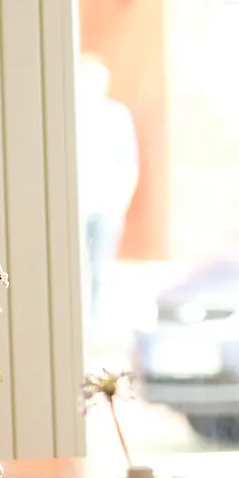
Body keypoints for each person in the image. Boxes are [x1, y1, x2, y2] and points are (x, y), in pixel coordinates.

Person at [76, 54, 139, 325]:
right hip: (77, 205)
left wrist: (120, 199)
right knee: (74, 266)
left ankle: (97, 323)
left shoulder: (116, 116)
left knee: (101, 268)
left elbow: (128, 162)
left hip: (105, 205)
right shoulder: (70, 115)